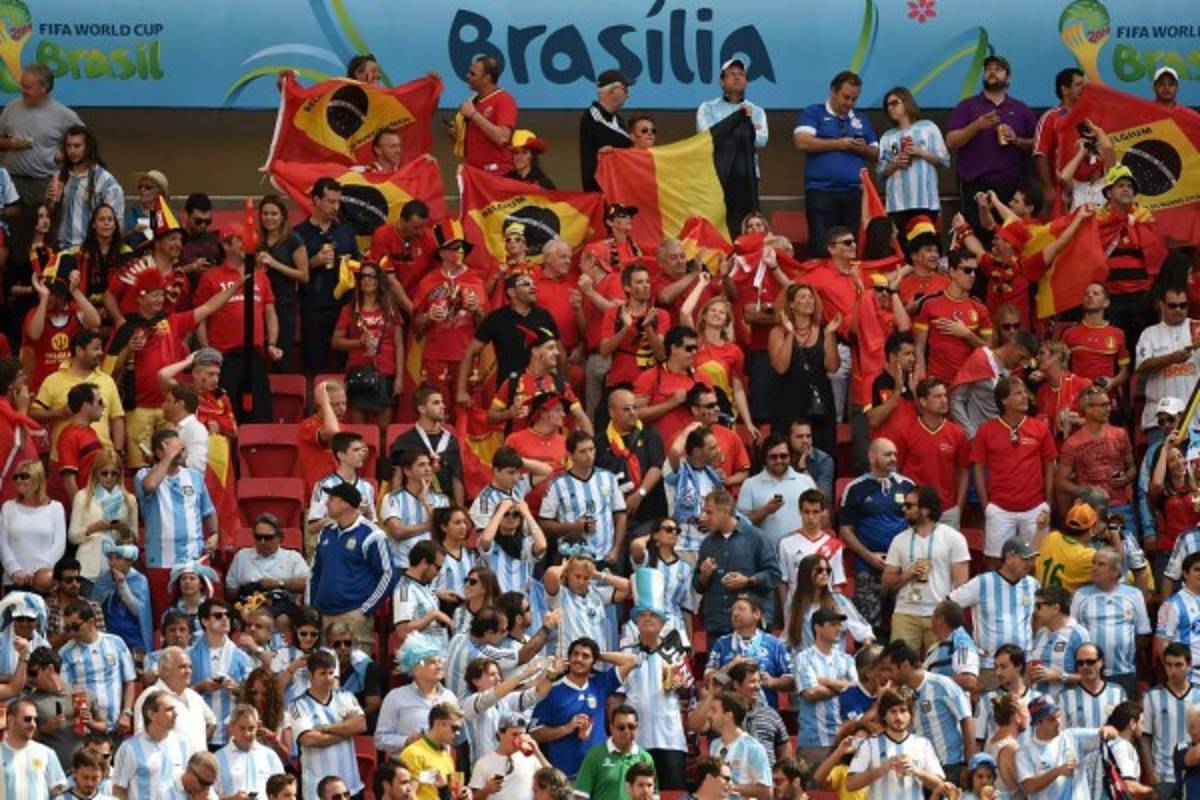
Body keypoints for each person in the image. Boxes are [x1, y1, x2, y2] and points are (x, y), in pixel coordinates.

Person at [193, 233, 280, 423]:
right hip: (224, 358)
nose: (247, 244)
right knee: (225, 414)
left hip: (255, 357)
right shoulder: (210, 277)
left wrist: (272, 343)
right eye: (240, 239)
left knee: (260, 414)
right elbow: (200, 318)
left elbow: (270, 314)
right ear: (226, 245)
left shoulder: (260, 277)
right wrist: (207, 351)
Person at [970, 376, 1056, 564]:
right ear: (1003, 401)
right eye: (1018, 393)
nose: (1025, 396)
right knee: (995, 561)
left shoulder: (1040, 428)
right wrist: (986, 505)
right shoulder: (986, 430)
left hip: (1035, 507)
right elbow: (978, 467)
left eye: (1024, 392)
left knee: (1036, 561)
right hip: (999, 508)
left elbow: (1050, 464)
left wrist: (1047, 503)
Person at [944, 55, 1037, 228]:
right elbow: (951, 141)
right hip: (975, 183)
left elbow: (1037, 145)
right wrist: (976, 126)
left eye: (998, 69)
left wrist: (1016, 140)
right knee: (976, 232)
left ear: (1008, 78)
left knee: (1010, 235)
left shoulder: (1021, 109)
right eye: (988, 69)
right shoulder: (967, 106)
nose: (992, 72)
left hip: (1012, 185)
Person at [135, 427, 219, 612]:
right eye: (175, 448)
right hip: (161, 561)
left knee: (198, 612)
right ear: (159, 452)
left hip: (193, 558)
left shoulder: (194, 477)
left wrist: (214, 534)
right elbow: (149, 486)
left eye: (182, 449)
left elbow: (208, 510)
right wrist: (167, 458)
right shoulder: (144, 475)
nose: (180, 452)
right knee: (165, 614)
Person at [793, 71, 878, 254]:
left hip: (854, 193)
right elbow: (802, 142)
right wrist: (838, 144)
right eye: (846, 97)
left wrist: (862, 148)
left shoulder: (861, 119)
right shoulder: (814, 112)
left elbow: (876, 153)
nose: (849, 103)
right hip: (821, 192)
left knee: (850, 249)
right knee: (821, 247)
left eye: (854, 99)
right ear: (833, 91)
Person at [528, 637, 637, 780]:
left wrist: (598, 654)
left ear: (594, 661)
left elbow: (631, 660)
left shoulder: (600, 684)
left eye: (585, 656)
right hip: (567, 775)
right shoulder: (552, 691)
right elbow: (534, 733)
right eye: (575, 654)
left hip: (601, 770)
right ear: (569, 657)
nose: (579, 659)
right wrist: (566, 728)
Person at [881, 485, 970, 653]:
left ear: (926, 510)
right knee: (900, 665)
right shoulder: (899, 540)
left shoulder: (954, 538)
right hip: (905, 612)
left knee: (939, 665)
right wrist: (907, 575)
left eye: (909, 506)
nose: (904, 509)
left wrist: (947, 613)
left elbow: (961, 584)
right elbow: (886, 582)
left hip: (939, 614)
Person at [838, 438, 914, 633]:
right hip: (868, 567)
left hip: (901, 568)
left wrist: (901, 559)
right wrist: (870, 557)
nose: (893, 458)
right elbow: (845, 530)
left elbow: (917, 526)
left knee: (906, 624)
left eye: (895, 454)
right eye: (887, 454)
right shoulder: (855, 488)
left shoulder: (908, 486)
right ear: (872, 457)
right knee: (868, 629)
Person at [410, 220, 487, 411]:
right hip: (435, 357)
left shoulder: (475, 280)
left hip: (466, 357)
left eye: (462, 248)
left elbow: (486, 325)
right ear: (442, 253)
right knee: (436, 411)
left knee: (466, 410)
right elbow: (416, 326)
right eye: (454, 248)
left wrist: (476, 309)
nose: (459, 251)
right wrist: (429, 316)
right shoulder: (428, 281)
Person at [307, 482, 393, 652]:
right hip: (324, 614)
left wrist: (365, 610)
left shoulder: (372, 534)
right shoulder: (326, 532)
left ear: (345, 504)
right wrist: (312, 605)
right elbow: (314, 571)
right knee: (326, 665)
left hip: (353, 615)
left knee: (357, 664)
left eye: (331, 499)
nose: (326, 504)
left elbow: (388, 574)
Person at [949, 537, 1039, 690]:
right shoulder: (982, 583)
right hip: (990, 667)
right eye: (1025, 559)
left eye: (1032, 559)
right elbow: (948, 607)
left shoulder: (1033, 584)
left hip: (1021, 666)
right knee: (988, 704)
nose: (1030, 564)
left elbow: (1037, 618)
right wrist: (966, 641)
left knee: (1022, 704)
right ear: (1009, 557)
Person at [461, 275, 560, 413]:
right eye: (526, 284)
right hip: (509, 389)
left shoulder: (544, 316)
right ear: (511, 292)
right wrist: (461, 391)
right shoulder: (497, 318)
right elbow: (470, 352)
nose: (533, 287)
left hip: (543, 387)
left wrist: (562, 384)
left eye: (533, 283)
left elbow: (560, 354)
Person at [293, 177, 360, 376]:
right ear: (316, 200)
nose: (336, 207)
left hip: (344, 307)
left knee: (345, 364)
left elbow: (357, 265)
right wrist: (313, 262)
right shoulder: (298, 233)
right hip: (313, 307)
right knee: (314, 363)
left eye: (338, 202)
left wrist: (350, 265)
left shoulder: (346, 232)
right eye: (331, 201)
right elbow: (290, 273)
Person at [881, 640, 975, 778]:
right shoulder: (903, 694)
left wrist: (968, 764)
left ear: (905, 665)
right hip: (923, 771)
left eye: (890, 669)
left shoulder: (942, 684)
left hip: (951, 766)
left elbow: (966, 720)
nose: (887, 676)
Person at [693, 490, 781, 635]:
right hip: (718, 624)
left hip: (751, 626)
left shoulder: (756, 538)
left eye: (709, 512)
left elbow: (774, 575)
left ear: (726, 511)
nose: (704, 517)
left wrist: (748, 581)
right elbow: (698, 586)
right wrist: (704, 575)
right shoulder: (707, 544)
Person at [844, 688, 952, 800]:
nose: (898, 717)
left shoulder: (923, 744)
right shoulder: (869, 744)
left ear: (911, 714)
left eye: (903, 711)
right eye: (893, 711)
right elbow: (850, 784)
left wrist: (915, 770)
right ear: (884, 715)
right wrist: (882, 769)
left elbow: (940, 785)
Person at [1070, 549, 1150, 699]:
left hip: (1125, 673)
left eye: (1101, 564)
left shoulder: (1134, 595)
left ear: (1115, 571)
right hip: (1090, 672)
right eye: (1093, 563)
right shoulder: (1080, 595)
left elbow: (1142, 633)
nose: (1094, 568)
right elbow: (1073, 634)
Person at [769, 283, 839, 452]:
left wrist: (829, 335)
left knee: (823, 450)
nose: (809, 301)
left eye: (811, 297)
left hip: (819, 402)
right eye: (803, 297)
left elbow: (832, 367)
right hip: (789, 401)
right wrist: (790, 334)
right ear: (791, 304)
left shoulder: (823, 330)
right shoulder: (778, 332)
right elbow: (780, 367)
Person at [892, 378, 969, 530]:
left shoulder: (957, 433)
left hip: (947, 511)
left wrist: (958, 506)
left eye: (945, 395)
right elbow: (896, 471)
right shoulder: (906, 431)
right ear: (923, 401)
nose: (944, 400)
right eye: (937, 396)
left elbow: (963, 471)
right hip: (915, 510)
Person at [32, 329, 124, 456]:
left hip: (102, 458)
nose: (101, 353)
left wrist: (118, 452)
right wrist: (60, 413)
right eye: (96, 349)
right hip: (62, 457)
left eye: (101, 348)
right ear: (79, 350)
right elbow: (34, 414)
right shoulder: (53, 380)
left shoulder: (107, 380)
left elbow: (117, 418)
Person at [0, 63, 82, 205]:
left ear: (44, 87)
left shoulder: (64, 115)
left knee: (42, 219)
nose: (22, 91)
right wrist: (8, 144)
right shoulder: (11, 108)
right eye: (22, 85)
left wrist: (65, 154)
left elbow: (85, 144)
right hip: (10, 182)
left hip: (43, 184)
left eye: (28, 87)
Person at [540, 430, 627, 565]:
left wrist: (616, 549)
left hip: (605, 557)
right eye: (583, 451)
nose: (589, 456)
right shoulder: (557, 484)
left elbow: (620, 514)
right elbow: (544, 523)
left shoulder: (608, 478)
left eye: (591, 449)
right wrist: (573, 527)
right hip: (572, 560)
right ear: (570, 455)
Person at [289, 649, 366, 800]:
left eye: (331, 673)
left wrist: (326, 728)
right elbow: (309, 739)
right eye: (323, 673)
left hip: (350, 787)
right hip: (317, 792)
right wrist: (346, 730)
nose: (328, 678)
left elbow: (361, 725)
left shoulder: (346, 696)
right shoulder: (298, 705)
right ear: (311, 675)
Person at [1016, 696, 1119, 800]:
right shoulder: (1024, 752)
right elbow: (1028, 787)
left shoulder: (1073, 736)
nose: (1058, 723)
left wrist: (1107, 731)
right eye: (1051, 719)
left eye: (1058, 716)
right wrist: (1057, 772)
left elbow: (1110, 732)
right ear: (1038, 724)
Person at [595, 388, 667, 537]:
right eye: (626, 409)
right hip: (614, 517)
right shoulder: (599, 443)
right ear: (612, 412)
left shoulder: (649, 433)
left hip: (650, 514)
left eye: (634, 407)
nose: (633, 412)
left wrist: (639, 494)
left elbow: (657, 467)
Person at [877, 87, 950, 231]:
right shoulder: (887, 136)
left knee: (926, 242)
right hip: (897, 205)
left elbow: (945, 161)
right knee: (902, 243)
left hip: (925, 202)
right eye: (887, 105)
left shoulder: (928, 127)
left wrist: (920, 152)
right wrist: (895, 164)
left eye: (894, 103)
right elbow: (880, 174)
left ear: (906, 102)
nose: (890, 108)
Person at [913, 250, 991, 384]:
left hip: (968, 383)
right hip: (937, 382)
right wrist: (921, 371)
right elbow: (919, 346)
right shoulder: (930, 305)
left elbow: (989, 352)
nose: (972, 275)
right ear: (952, 272)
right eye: (967, 270)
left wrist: (967, 334)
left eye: (975, 271)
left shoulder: (980, 309)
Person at [59, 599, 136, 736]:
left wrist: (127, 713)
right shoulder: (65, 653)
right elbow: (66, 690)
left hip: (117, 726)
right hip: (86, 729)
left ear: (91, 622)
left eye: (75, 627)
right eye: (67, 628)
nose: (71, 633)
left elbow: (129, 681)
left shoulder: (116, 643)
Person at [706, 594, 794, 710]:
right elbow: (708, 680)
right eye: (733, 610)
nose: (735, 614)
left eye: (741, 609)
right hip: (729, 713)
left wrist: (773, 682)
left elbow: (792, 680)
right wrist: (730, 667)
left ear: (756, 614)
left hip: (765, 713)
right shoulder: (721, 644)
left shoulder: (774, 644)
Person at [794, 607, 858, 767]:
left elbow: (856, 691)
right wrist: (843, 687)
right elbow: (810, 693)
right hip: (815, 740)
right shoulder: (803, 658)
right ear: (817, 627)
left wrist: (826, 681)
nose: (839, 629)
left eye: (839, 624)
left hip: (844, 738)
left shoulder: (847, 659)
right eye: (833, 624)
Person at [187, 598, 254, 748]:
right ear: (204, 621)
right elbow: (177, 695)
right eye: (218, 615)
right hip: (199, 732)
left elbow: (254, 696)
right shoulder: (188, 655)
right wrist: (201, 687)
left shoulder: (243, 658)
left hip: (232, 735)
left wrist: (237, 689)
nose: (225, 619)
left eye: (227, 615)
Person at [1137, 286, 1200, 444]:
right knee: (1160, 459)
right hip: (1161, 421)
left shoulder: (1197, 328)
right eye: (1173, 305)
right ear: (1162, 305)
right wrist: (1172, 358)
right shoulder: (1149, 334)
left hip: (1195, 418)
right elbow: (1142, 368)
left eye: (1183, 305)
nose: (1179, 310)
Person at [47, 125, 124, 249]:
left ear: (88, 148)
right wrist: (50, 201)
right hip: (61, 249)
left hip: (91, 250)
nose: (72, 150)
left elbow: (117, 222)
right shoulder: (59, 176)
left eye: (77, 146)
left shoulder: (105, 181)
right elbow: (49, 216)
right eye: (68, 146)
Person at [375, 635, 457, 752]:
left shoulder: (449, 697)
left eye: (440, 661)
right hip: (408, 762)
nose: (439, 666)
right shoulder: (395, 697)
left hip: (441, 761)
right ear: (415, 669)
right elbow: (380, 739)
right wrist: (407, 740)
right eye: (432, 662)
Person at [389, 385, 465, 506]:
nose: (443, 406)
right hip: (412, 502)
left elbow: (457, 478)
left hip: (443, 505)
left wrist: (459, 509)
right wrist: (396, 506)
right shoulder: (406, 440)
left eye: (442, 402)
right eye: (436, 403)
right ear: (422, 409)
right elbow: (397, 477)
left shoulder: (451, 441)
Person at [130, 646, 213, 757]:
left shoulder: (194, 696)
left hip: (198, 766)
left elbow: (212, 722)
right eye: (182, 667)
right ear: (165, 671)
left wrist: (196, 746)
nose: (188, 671)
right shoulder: (151, 695)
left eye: (190, 667)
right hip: (167, 766)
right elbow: (141, 738)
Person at [1142, 643, 1200, 798]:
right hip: (1163, 776)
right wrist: (1150, 772)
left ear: (1189, 665)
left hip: (1194, 774)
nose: (1173, 670)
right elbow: (1145, 737)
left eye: (1178, 665)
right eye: (1168, 665)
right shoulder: (1152, 696)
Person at [739, 435, 816, 550]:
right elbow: (741, 525)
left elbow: (821, 517)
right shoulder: (750, 484)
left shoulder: (806, 481)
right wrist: (766, 510)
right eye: (773, 457)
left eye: (783, 456)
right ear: (765, 458)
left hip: (801, 553)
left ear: (790, 456)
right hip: (764, 554)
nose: (779, 460)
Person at [0, 458, 66, 592]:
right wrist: (14, 570)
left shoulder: (55, 508)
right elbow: (2, 542)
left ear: (38, 479)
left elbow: (59, 544)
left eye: (24, 476)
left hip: (44, 581)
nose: (19, 480)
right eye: (16, 477)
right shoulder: (8, 507)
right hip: (14, 580)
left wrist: (38, 572)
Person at [111, 689, 189, 800]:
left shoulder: (182, 743)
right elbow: (119, 790)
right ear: (151, 714)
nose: (175, 714)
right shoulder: (128, 748)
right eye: (169, 710)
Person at [305, 430, 376, 549]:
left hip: (359, 548)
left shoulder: (367, 487)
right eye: (356, 450)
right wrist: (343, 514)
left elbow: (373, 524)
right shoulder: (324, 485)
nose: (362, 454)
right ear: (341, 455)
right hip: (333, 546)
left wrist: (368, 515)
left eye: (363, 450)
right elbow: (312, 528)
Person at [448, 56, 516, 174]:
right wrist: (456, 136)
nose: (467, 76)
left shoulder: (504, 100)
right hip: (474, 172)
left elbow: (503, 138)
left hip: (497, 174)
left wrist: (474, 115)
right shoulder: (474, 101)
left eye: (472, 74)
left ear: (486, 78)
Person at [224, 512, 310, 604]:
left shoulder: (293, 557)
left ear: (280, 538)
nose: (262, 542)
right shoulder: (242, 556)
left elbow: (307, 583)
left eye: (268, 537)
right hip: (248, 604)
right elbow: (231, 590)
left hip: (283, 605)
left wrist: (279, 583)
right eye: (258, 537)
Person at [574, 704, 656, 800]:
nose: (626, 731)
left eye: (631, 727)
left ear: (637, 727)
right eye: (621, 727)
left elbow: (653, 796)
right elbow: (581, 796)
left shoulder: (645, 758)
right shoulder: (594, 755)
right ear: (611, 727)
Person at [468, 712, 551, 800]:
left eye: (522, 734)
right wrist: (486, 790)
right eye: (514, 734)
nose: (519, 739)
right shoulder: (483, 763)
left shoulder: (530, 758)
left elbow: (554, 780)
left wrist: (537, 752)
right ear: (500, 734)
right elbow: (473, 798)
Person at [1028, 584, 1091, 699]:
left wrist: (1058, 676)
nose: (1035, 611)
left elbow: (1090, 676)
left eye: (1038, 606)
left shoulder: (1079, 634)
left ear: (1055, 608)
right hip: (1039, 703)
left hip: (1066, 704)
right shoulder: (1041, 633)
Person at [398, 702, 468, 800]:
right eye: (454, 728)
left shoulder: (446, 754)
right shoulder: (413, 753)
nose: (458, 733)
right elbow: (408, 796)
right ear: (438, 724)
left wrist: (462, 793)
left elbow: (451, 791)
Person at [213, 705, 283, 800]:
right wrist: (232, 798)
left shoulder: (270, 756)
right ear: (231, 726)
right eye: (242, 728)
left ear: (258, 726)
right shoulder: (217, 759)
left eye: (251, 728)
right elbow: (207, 796)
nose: (247, 734)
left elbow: (282, 791)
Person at [579, 70, 634, 192]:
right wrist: (634, 140)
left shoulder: (618, 119)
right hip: (598, 192)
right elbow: (617, 138)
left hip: (618, 190)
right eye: (625, 90)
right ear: (613, 91)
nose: (628, 95)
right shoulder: (592, 114)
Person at [924, 600, 981, 695]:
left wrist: (934, 683)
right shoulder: (933, 648)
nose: (930, 619)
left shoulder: (962, 644)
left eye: (933, 615)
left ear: (940, 620)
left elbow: (969, 681)